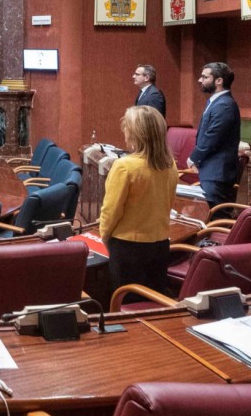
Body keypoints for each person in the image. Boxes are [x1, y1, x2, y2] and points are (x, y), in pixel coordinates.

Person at [98, 106, 176, 293]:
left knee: (124, 301)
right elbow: (168, 203)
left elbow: (111, 211)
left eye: (127, 127)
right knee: (152, 300)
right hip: (160, 245)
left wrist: (104, 236)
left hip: (128, 248)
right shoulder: (170, 164)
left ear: (135, 134)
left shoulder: (124, 166)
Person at [187, 61, 241, 208]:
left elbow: (212, 137)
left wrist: (193, 158)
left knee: (215, 215)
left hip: (217, 174)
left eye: (205, 77)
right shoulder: (216, 101)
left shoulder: (224, 105)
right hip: (211, 171)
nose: (200, 80)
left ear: (219, 81)